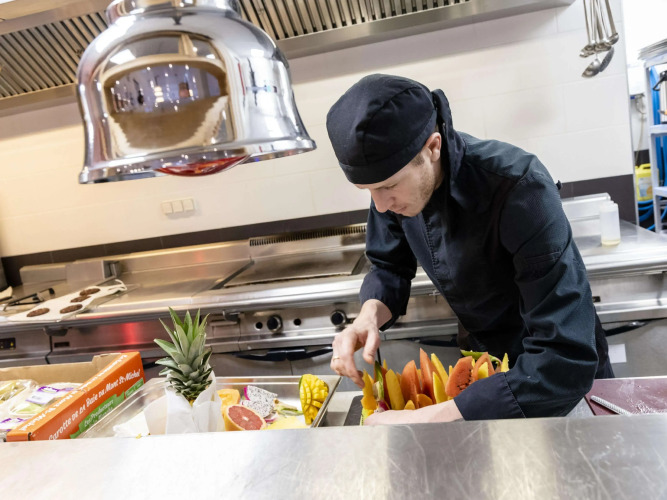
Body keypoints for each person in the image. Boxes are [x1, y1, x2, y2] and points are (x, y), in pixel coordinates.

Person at [326, 74, 614, 424]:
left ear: (433, 147)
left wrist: (428, 420)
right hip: (485, 372)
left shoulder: (520, 187)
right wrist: (367, 318)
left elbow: (564, 355)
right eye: (368, 191)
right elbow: (390, 266)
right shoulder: (391, 187)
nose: (381, 205)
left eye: (388, 186)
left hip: (556, 381)